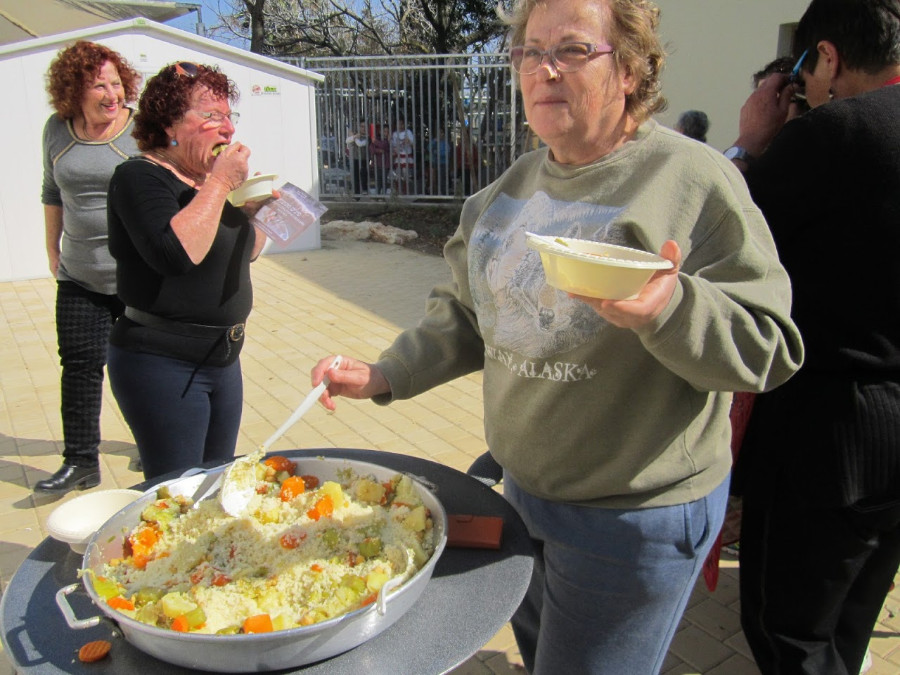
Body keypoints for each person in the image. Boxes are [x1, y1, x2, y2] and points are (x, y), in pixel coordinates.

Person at [309, 0, 804, 672]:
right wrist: (383, 373)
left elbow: (769, 345)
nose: (542, 70)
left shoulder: (692, 180)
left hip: (632, 518)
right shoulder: (502, 194)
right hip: (522, 496)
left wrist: (670, 308)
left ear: (629, 68)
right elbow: (463, 312)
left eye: (571, 50)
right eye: (527, 51)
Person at [725, 1, 900, 673]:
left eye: (805, 69)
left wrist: (748, 142)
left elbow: (726, 235)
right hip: (889, 439)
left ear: (827, 57)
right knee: (850, 620)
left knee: (787, 630)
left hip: (827, 440)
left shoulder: (836, 133)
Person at [106, 62, 273, 481]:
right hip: (163, 363)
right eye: (211, 115)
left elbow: (245, 252)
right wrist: (219, 186)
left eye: (229, 116)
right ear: (169, 125)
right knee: (178, 493)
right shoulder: (138, 177)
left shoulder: (209, 186)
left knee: (217, 485)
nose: (228, 129)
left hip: (222, 360)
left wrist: (259, 215)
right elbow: (175, 255)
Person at [36, 41, 142, 494]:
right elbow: (51, 190)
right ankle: (80, 461)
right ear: (73, 89)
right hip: (80, 274)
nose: (111, 93)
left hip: (138, 276)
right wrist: (52, 248)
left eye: (116, 82)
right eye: (98, 84)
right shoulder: (56, 131)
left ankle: (154, 443)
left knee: (142, 366)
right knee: (79, 366)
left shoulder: (141, 131)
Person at [390, 115, 415, 194]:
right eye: (398, 124)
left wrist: (409, 142)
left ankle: (406, 191)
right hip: (398, 157)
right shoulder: (394, 134)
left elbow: (413, 144)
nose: (400, 126)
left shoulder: (408, 132)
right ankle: (398, 191)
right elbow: (392, 145)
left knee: (406, 175)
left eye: (402, 124)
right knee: (398, 175)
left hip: (407, 156)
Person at [345, 121, 369, 196]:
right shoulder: (357, 135)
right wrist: (354, 136)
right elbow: (347, 141)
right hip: (355, 158)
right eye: (362, 126)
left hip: (364, 159)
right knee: (356, 176)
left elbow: (360, 144)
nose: (363, 128)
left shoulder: (368, 136)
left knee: (363, 174)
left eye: (365, 126)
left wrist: (354, 137)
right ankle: (356, 194)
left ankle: (365, 190)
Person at [370, 123, 391, 194]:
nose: (386, 133)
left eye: (387, 132)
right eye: (384, 131)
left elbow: (384, 145)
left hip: (386, 164)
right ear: (380, 131)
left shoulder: (388, 141)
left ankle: (383, 195)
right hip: (377, 163)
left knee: (384, 180)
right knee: (378, 180)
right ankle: (378, 195)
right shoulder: (377, 139)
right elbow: (371, 149)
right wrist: (378, 150)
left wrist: (375, 141)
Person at [428, 128, 450, 195]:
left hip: (443, 163)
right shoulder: (434, 142)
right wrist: (434, 142)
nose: (440, 134)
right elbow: (429, 148)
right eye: (438, 133)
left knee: (442, 179)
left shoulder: (445, 143)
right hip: (434, 163)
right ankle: (434, 192)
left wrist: (437, 153)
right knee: (434, 179)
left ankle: (443, 193)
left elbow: (446, 152)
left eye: (441, 133)